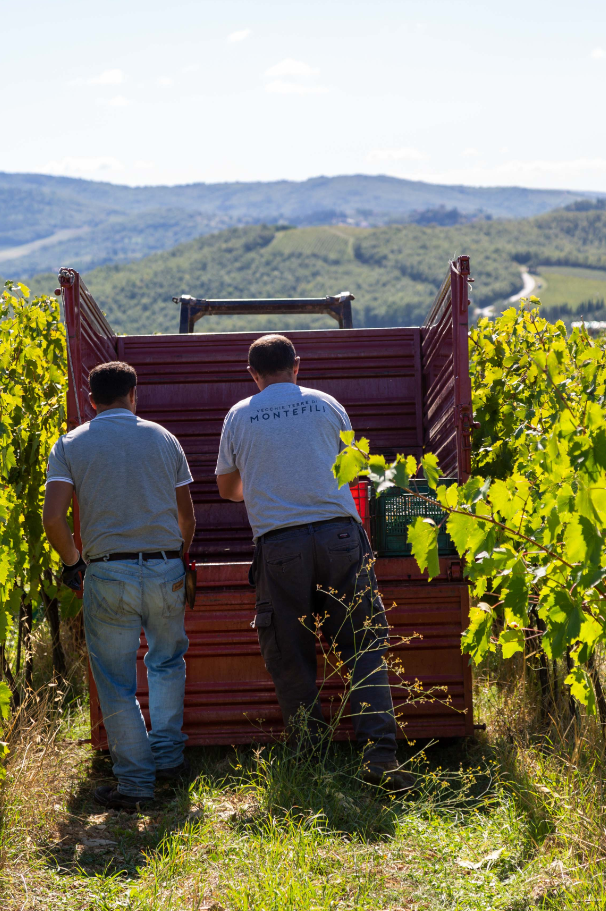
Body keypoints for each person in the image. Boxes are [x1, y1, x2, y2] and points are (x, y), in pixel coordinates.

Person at [215, 334, 414, 791]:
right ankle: (380, 757)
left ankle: (310, 760)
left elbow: (227, 488)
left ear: (253, 374)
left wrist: (265, 485)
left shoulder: (239, 414)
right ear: (296, 366)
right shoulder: (327, 404)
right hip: (340, 537)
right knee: (362, 648)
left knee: (291, 655)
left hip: (280, 547)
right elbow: (354, 467)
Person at [43, 361, 196, 810]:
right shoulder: (164, 438)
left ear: (92, 401)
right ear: (135, 394)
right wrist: (179, 558)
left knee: (115, 681)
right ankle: (168, 760)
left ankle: (134, 784)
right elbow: (186, 516)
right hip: (167, 568)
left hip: (108, 571)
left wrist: (75, 565)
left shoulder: (71, 444)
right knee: (167, 662)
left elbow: (54, 518)